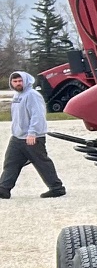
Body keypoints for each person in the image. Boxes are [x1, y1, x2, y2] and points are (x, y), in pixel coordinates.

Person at [2, 71, 64, 199]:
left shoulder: (32, 95)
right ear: (11, 83)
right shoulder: (17, 96)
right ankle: (4, 189)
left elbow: (38, 115)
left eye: (20, 81)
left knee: (41, 162)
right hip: (17, 137)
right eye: (15, 81)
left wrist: (32, 133)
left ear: (26, 81)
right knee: (10, 162)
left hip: (32, 137)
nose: (18, 84)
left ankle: (57, 188)